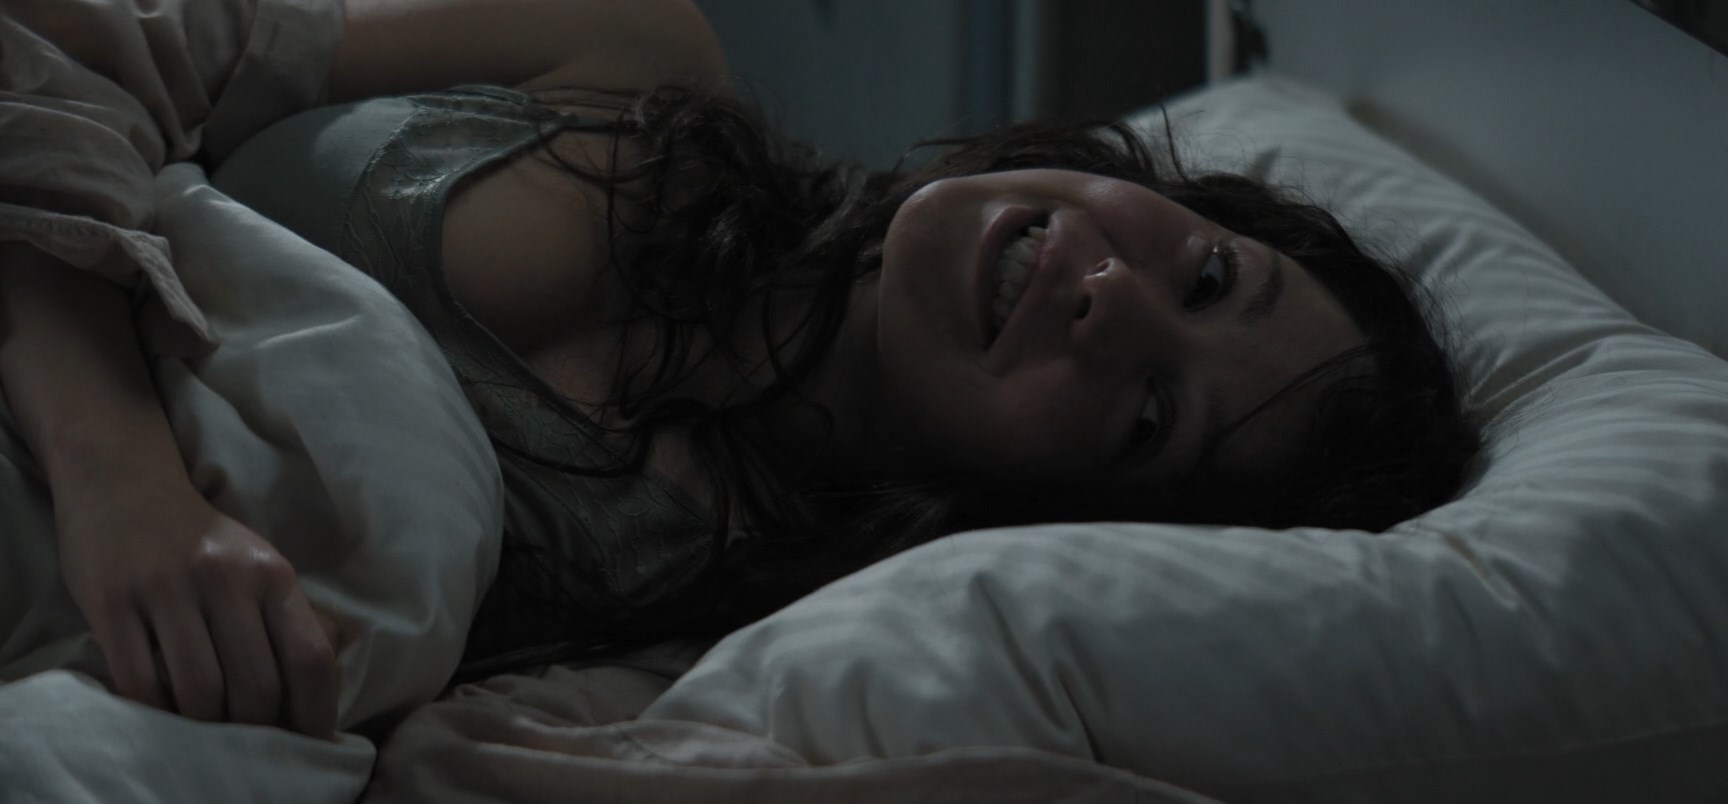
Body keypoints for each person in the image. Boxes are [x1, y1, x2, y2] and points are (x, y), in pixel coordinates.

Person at [0, 0, 1479, 739]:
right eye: (1206, 272)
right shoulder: (631, 54)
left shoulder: (721, 639)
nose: (1108, 299)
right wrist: (120, 475)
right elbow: (85, 46)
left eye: (1152, 414)